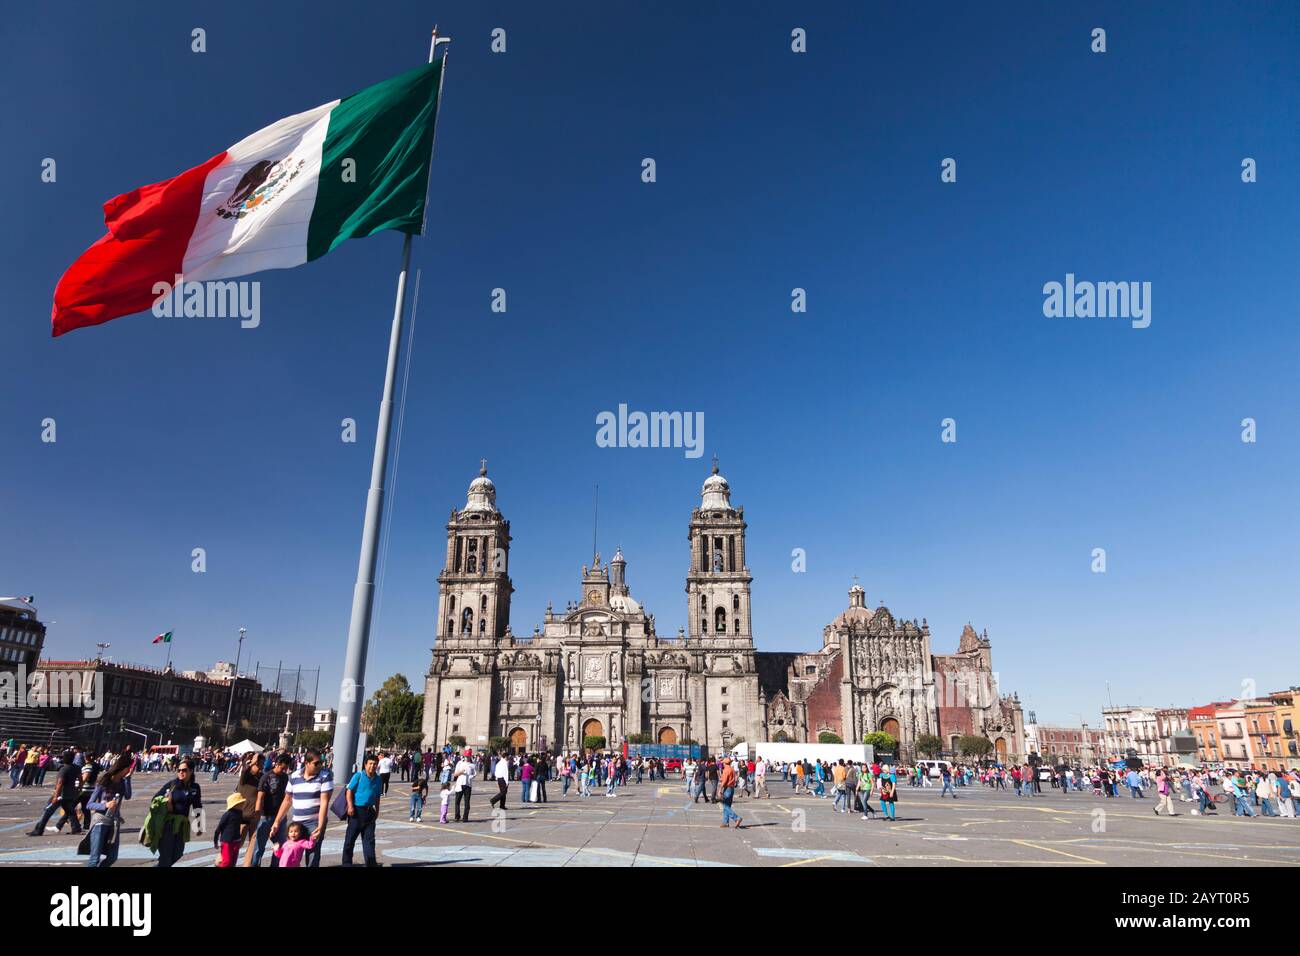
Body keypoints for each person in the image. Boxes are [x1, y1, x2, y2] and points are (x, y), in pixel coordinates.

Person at [272, 748, 333, 868]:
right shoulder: (294, 776)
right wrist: (276, 821)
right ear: (307, 763)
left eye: (321, 762)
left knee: (312, 857)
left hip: (314, 823)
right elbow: (287, 800)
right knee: (292, 856)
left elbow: (324, 802)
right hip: (297, 824)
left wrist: (320, 826)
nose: (319, 765)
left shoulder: (325, 776)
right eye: (316, 763)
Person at [154, 758, 203, 867]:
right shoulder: (172, 785)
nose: (181, 772)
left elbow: (197, 806)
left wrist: (199, 825)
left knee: (178, 853)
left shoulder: (195, 788)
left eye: (184, 770)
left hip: (182, 825)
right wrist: (167, 802)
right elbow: (155, 799)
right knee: (166, 857)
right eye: (179, 770)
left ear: (191, 771)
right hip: (167, 825)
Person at [249, 752, 291, 867]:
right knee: (259, 846)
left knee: (281, 844)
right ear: (278, 764)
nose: (285, 769)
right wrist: (257, 815)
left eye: (287, 767)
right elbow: (260, 798)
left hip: (280, 817)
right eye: (284, 766)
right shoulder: (266, 777)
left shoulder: (285, 777)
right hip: (265, 816)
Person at [342, 753, 383, 867]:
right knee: (350, 840)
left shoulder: (378, 779)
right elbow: (349, 791)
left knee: (369, 841)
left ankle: (371, 863)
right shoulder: (358, 776)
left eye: (375, 764)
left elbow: (378, 796)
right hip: (356, 812)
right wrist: (350, 806)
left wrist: (377, 811)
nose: (372, 766)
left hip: (370, 812)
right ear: (365, 764)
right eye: (370, 764)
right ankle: (347, 863)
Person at [29, 750, 82, 836]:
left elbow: (60, 783)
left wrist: (55, 796)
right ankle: (76, 828)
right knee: (70, 812)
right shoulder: (76, 768)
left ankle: (39, 830)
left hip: (61, 795)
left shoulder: (64, 769)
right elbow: (80, 778)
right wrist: (78, 788)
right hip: (70, 793)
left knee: (48, 811)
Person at [214, 792, 248, 867]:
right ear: (235, 805)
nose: (243, 804)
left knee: (233, 861)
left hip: (236, 840)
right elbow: (219, 828)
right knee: (226, 861)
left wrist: (251, 821)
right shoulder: (227, 815)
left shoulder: (239, 813)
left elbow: (243, 821)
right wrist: (215, 841)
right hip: (227, 841)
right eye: (241, 803)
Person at [718, 757, 743, 829]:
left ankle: (736, 818)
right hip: (731, 788)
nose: (722, 764)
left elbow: (725, 781)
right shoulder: (732, 769)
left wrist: (720, 789)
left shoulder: (726, 770)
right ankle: (725, 822)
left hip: (727, 788)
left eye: (723, 763)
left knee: (725, 806)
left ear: (725, 763)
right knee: (727, 805)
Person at [452, 749, 474, 822]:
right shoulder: (460, 763)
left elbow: (474, 774)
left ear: (470, 756)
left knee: (467, 802)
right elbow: (455, 774)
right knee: (457, 801)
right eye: (466, 756)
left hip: (468, 785)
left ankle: (465, 817)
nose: (467, 758)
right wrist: (460, 772)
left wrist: (472, 776)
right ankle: (457, 816)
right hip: (460, 784)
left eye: (468, 756)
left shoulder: (472, 765)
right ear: (464, 756)